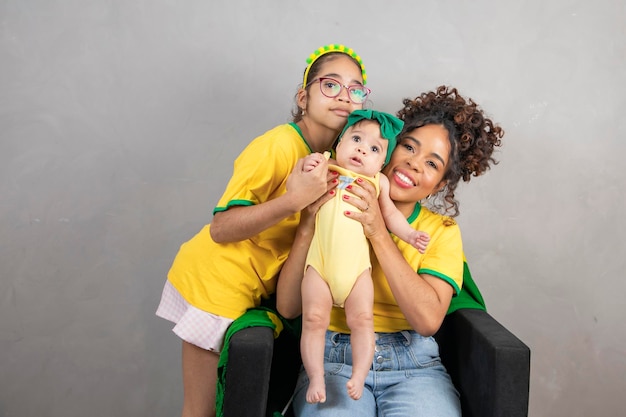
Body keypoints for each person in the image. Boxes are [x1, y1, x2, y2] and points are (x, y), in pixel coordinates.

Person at [155, 43, 370, 417]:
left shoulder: (342, 159)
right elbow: (221, 228)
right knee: (201, 410)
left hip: (252, 288)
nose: (344, 97)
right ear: (303, 97)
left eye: (355, 90)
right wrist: (293, 200)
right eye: (331, 85)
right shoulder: (277, 145)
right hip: (216, 283)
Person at [276, 85, 504, 416]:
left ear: (439, 184)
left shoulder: (440, 233)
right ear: (389, 148)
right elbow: (288, 306)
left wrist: (378, 231)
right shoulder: (329, 193)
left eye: (431, 163)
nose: (413, 163)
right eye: (408, 147)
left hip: (414, 365)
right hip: (334, 358)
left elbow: (427, 321)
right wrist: (308, 222)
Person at [299, 109, 430, 404]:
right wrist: (309, 164)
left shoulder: (377, 183)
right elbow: (299, 181)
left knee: (362, 319)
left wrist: (409, 235)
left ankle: (359, 373)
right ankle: (316, 377)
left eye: (374, 149)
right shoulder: (327, 167)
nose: (361, 149)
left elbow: (391, 216)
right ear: (339, 143)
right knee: (313, 319)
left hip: (357, 271)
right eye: (356, 139)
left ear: (382, 163)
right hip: (319, 267)